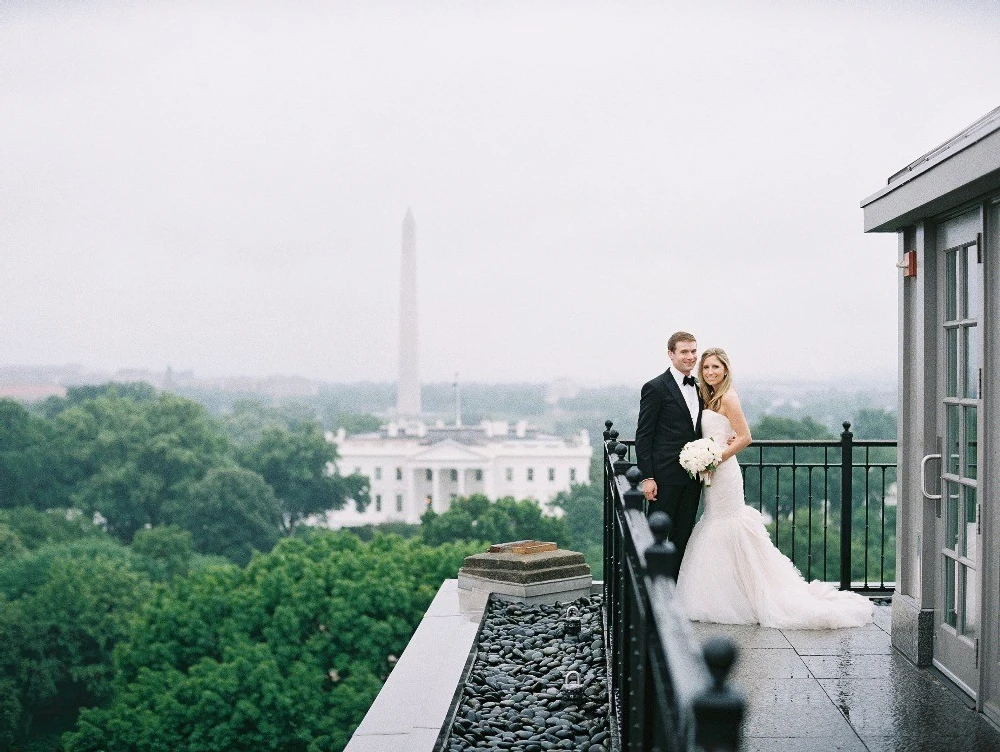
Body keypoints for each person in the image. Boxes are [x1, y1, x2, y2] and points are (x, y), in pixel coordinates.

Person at [676, 348, 874, 628]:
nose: (710, 372)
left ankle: (744, 597)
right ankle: (727, 595)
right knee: (714, 524)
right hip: (712, 474)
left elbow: (745, 437)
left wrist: (714, 458)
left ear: (725, 369)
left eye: (715, 367)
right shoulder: (708, 396)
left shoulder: (729, 397)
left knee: (727, 526)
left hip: (724, 471)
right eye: (706, 368)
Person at [635, 331, 703, 566]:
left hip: (693, 479)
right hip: (664, 478)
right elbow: (644, 435)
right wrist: (648, 477)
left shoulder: (699, 387)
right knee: (656, 538)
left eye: (694, 351)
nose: (691, 356)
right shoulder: (655, 387)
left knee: (683, 537)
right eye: (684, 351)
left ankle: (673, 592)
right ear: (670, 354)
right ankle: (650, 595)